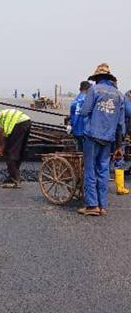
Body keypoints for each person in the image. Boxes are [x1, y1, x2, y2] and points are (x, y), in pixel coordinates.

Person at [78, 63, 125, 216]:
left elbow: (84, 111)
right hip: (109, 138)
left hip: (92, 136)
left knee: (90, 169)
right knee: (103, 171)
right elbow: (120, 125)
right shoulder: (119, 95)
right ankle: (102, 205)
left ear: (97, 78)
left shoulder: (94, 89)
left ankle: (92, 205)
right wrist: (118, 147)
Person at [0, 108, 31, 188]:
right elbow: (4, 137)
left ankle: (14, 179)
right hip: (27, 121)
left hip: (18, 124)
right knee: (18, 152)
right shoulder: (0, 117)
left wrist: (2, 147)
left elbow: (0, 129)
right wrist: (1, 149)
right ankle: (16, 175)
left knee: (10, 152)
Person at [68, 81, 91, 151]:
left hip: (76, 130)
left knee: (79, 150)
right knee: (87, 152)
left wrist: (70, 125)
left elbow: (72, 116)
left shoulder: (74, 101)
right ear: (88, 89)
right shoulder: (88, 100)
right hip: (85, 130)